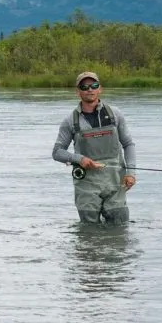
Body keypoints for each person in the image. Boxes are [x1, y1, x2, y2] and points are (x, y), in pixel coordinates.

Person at [51, 71, 136, 224]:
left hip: (115, 182)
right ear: (78, 92)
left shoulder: (115, 114)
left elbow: (128, 144)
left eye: (94, 85)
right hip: (86, 186)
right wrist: (79, 159)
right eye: (84, 87)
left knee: (119, 230)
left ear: (100, 89)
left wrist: (131, 173)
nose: (89, 89)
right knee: (88, 233)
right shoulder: (69, 121)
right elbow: (57, 152)